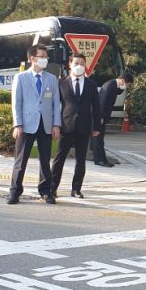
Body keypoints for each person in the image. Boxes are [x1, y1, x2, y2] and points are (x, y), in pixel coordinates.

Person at [7, 44, 61, 204]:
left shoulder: (51, 79)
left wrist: (56, 124)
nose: (45, 59)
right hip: (26, 124)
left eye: (46, 56)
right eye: (41, 56)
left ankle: (45, 191)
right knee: (20, 161)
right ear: (32, 58)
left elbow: (55, 104)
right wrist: (18, 125)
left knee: (45, 160)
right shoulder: (21, 78)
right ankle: (15, 191)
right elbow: (16, 103)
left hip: (45, 124)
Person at [50, 54, 101, 199]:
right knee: (59, 159)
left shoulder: (91, 84)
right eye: (76, 63)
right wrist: (55, 124)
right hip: (65, 126)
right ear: (70, 65)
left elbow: (96, 107)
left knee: (81, 160)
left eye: (82, 64)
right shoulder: (61, 83)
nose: (79, 66)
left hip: (84, 127)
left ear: (86, 66)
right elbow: (55, 106)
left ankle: (76, 189)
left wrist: (97, 127)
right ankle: (53, 188)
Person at [91, 72, 133, 167]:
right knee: (99, 137)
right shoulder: (110, 86)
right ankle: (100, 160)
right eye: (127, 84)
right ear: (123, 81)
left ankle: (97, 157)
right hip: (100, 115)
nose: (127, 86)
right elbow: (103, 102)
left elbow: (118, 92)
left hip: (101, 115)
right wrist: (100, 117)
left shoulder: (113, 84)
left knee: (97, 137)